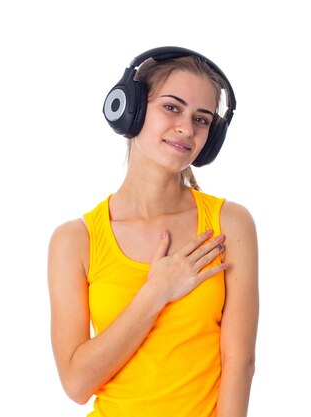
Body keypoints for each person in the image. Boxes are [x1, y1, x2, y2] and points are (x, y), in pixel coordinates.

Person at [47, 46, 259, 417]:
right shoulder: (74, 241)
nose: (186, 128)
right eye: (172, 107)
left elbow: (239, 360)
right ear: (132, 110)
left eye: (202, 119)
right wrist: (156, 292)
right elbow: (76, 384)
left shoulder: (230, 223)